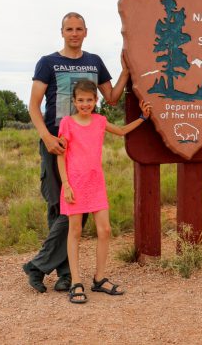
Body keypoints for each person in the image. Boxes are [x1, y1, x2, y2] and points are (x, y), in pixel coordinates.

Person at [22, 12, 129, 293]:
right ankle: (63, 273)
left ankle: (50, 270)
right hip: (56, 144)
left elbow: (113, 97)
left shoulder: (94, 62)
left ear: (86, 32)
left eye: (78, 29)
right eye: (69, 29)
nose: (74, 33)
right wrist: (46, 137)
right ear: (62, 32)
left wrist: (126, 71)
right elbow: (33, 106)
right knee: (61, 209)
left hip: (84, 149)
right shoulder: (48, 63)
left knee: (75, 212)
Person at [58, 79, 151, 304]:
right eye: (80, 100)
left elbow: (120, 131)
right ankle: (76, 282)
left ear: (95, 101)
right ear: (74, 101)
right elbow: (60, 155)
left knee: (105, 230)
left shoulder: (100, 121)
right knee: (75, 231)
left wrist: (142, 118)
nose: (85, 104)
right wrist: (66, 184)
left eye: (89, 100)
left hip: (96, 183)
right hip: (74, 185)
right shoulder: (67, 123)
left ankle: (99, 278)